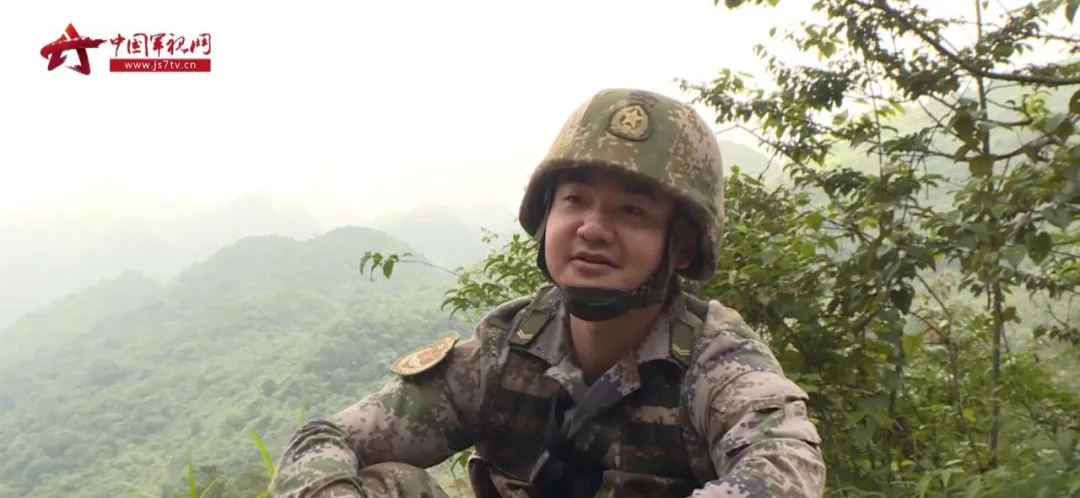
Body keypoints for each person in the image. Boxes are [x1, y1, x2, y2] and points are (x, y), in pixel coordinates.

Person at [268, 88, 826, 498]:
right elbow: (324, 439)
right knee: (388, 484)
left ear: (680, 247)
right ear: (547, 216)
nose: (593, 228)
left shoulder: (717, 364)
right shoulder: (504, 352)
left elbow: (785, 469)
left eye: (631, 210)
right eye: (575, 200)